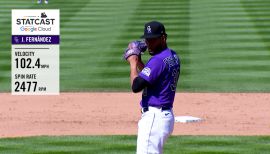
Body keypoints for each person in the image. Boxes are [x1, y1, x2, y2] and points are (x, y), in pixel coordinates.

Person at [124, 21, 181, 154]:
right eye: (147, 40)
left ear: (163, 38)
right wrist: (140, 62)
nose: (149, 43)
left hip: (155, 118)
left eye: (153, 40)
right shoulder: (172, 56)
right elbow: (153, 77)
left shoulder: (157, 60)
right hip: (164, 116)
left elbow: (136, 86)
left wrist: (133, 62)